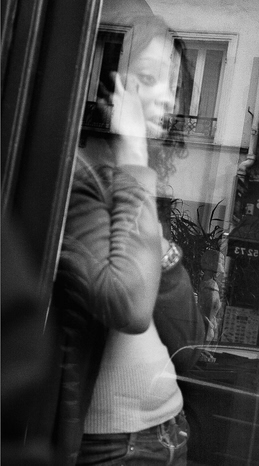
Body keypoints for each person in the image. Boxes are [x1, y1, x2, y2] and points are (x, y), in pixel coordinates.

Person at [47, 14, 203, 466]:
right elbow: (131, 307)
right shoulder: (81, 176)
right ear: (106, 86)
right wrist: (134, 155)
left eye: (174, 85)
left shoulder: (132, 183)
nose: (169, 98)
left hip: (167, 432)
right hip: (115, 446)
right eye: (149, 79)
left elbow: (189, 346)